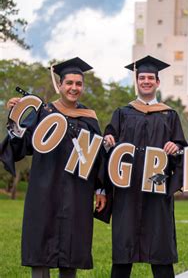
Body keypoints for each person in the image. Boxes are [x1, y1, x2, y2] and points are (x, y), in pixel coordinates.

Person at [0, 57, 106, 278]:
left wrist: (100, 188)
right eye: (69, 83)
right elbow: (23, 146)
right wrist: (15, 120)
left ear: (83, 87)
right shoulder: (43, 113)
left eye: (78, 84)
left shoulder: (89, 119)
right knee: (41, 249)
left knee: (71, 249)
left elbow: (97, 159)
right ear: (60, 85)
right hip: (44, 190)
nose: (73, 88)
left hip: (77, 192)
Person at [102, 55, 186, 278]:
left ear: (158, 82)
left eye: (151, 78)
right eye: (142, 78)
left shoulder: (169, 114)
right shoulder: (122, 113)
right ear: (136, 82)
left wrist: (175, 146)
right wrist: (109, 140)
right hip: (127, 191)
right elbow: (109, 137)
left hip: (157, 191)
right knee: (123, 250)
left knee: (160, 250)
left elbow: (181, 147)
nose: (146, 81)